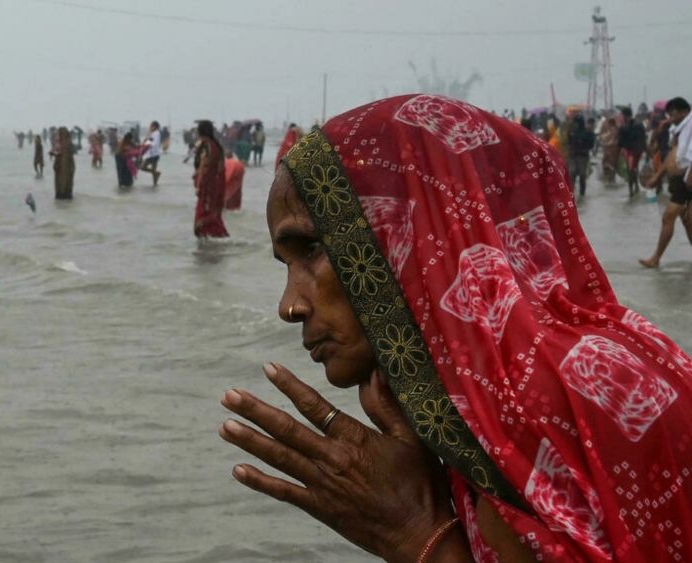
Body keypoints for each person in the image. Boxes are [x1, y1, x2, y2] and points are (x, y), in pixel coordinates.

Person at [220, 94, 692, 562]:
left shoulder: (548, 412)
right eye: (286, 264)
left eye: (311, 249)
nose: (289, 306)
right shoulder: (515, 394)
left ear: (408, 233)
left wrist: (419, 540)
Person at [640, 97, 692, 268]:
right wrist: (658, 176)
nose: (671, 117)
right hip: (679, 180)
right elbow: (673, 154)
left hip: (688, 180)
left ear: (684, 111)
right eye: (669, 114)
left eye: (674, 114)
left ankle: (655, 258)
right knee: (687, 220)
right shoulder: (678, 129)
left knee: (668, 216)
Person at [192, 120, 228, 237]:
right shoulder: (215, 146)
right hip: (215, 187)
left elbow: (205, 168)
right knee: (213, 218)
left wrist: (199, 185)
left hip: (208, 189)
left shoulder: (208, 147)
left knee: (201, 222)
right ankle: (215, 249)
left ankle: (211, 248)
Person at [618, 106, 647, 197]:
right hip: (638, 150)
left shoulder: (624, 127)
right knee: (634, 168)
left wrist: (622, 149)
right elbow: (643, 138)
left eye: (621, 115)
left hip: (630, 151)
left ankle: (631, 191)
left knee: (630, 169)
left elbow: (621, 142)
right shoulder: (640, 124)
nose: (620, 117)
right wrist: (644, 150)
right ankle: (636, 187)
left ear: (625, 115)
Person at [566, 114, 595, 197]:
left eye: (575, 123)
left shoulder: (588, 133)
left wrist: (582, 144)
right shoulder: (571, 132)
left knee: (582, 175)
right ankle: (571, 195)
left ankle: (582, 194)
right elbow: (569, 142)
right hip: (573, 156)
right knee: (572, 173)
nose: (574, 124)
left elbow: (591, 144)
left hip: (583, 156)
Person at [51, 126, 75, 200]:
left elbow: (69, 155)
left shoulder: (67, 143)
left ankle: (63, 198)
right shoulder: (60, 143)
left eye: (60, 133)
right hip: (61, 168)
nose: (59, 135)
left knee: (64, 187)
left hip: (65, 168)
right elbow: (58, 154)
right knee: (62, 187)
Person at [138, 121, 163, 187]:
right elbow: (150, 141)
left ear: (154, 127)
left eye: (151, 126)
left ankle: (156, 175)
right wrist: (145, 142)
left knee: (142, 167)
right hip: (153, 154)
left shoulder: (157, 133)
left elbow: (155, 143)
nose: (150, 127)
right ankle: (155, 185)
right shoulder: (153, 133)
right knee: (153, 171)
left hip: (153, 154)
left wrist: (147, 142)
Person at [599, 114, 620, 183]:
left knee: (611, 163)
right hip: (609, 148)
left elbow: (617, 139)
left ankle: (611, 178)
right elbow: (602, 137)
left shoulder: (616, 129)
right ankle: (610, 177)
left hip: (612, 148)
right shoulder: (609, 129)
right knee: (609, 163)